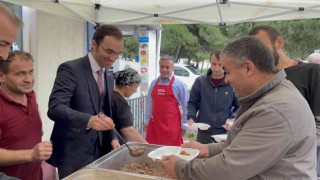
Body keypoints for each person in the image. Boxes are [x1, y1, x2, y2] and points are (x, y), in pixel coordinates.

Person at [156, 36, 317, 180]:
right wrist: (206, 149)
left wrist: (180, 169)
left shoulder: (274, 111)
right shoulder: (274, 95)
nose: (226, 80)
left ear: (248, 68)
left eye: (227, 72)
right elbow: (245, 145)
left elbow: (228, 169)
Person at [47, 24, 123, 178]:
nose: (113, 58)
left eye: (117, 54)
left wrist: (113, 137)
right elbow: (55, 108)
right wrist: (89, 120)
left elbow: (105, 111)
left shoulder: (108, 76)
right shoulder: (70, 69)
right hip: (72, 153)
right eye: (109, 51)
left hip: (100, 151)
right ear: (94, 44)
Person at [248, 24, 320, 177]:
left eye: (261, 46)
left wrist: (283, 145)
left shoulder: (312, 72)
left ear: (279, 42)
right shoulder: (262, 79)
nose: (258, 53)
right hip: (259, 167)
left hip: (294, 168)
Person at [0, 51, 53, 180]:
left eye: (31, 72)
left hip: (35, 175)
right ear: (1, 76)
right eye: (20, 74)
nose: (29, 79)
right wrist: (31, 154)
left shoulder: (30, 94)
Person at [188, 50, 239, 144]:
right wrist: (191, 117)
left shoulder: (232, 83)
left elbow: (239, 106)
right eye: (213, 64)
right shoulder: (200, 81)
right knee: (201, 158)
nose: (216, 68)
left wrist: (233, 117)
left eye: (220, 65)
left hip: (223, 133)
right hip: (203, 133)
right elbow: (192, 103)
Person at [144, 55, 189, 146]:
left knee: (171, 153)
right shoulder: (153, 83)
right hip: (155, 126)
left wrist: (184, 126)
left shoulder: (180, 85)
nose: (164, 69)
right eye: (162, 67)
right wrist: (146, 122)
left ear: (173, 68)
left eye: (167, 67)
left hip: (172, 126)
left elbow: (186, 107)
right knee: (153, 150)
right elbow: (149, 104)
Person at [112, 68, 147, 143]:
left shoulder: (108, 95)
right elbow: (128, 131)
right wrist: (148, 146)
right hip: (114, 146)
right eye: (135, 87)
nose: (135, 91)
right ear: (128, 85)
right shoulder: (120, 102)